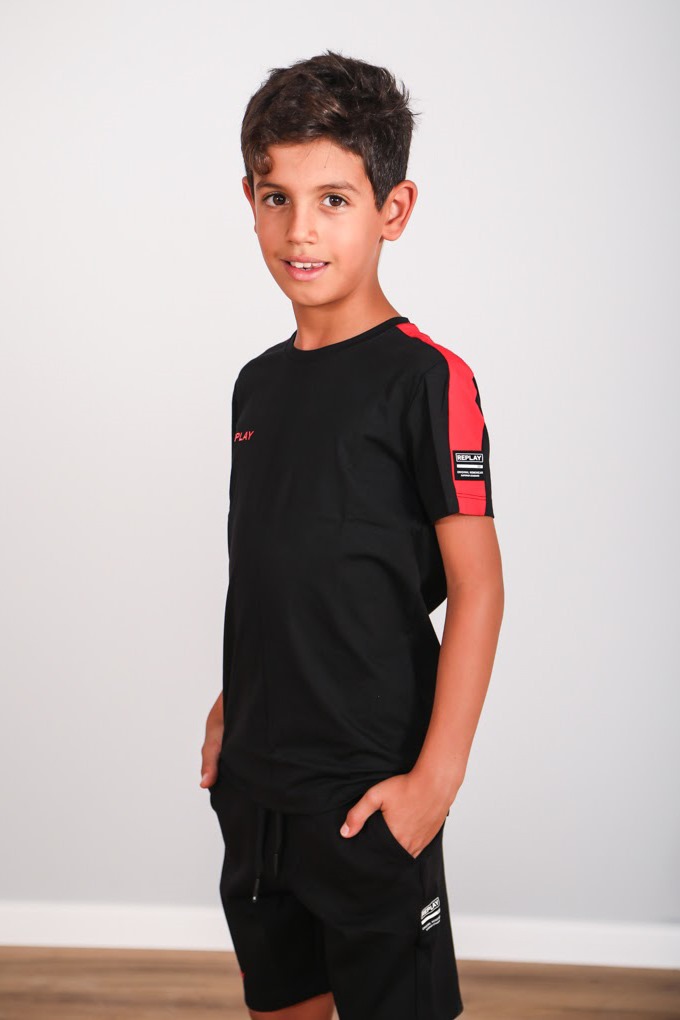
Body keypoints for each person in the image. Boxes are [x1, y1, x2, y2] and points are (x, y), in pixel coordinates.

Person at [200, 50, 504, 1020]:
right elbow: (281, 565)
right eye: (276, 198)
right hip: (257, 784)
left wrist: (434, 784)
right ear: (249, 202)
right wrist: (232, 702)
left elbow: (478, 588)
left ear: (392, 209)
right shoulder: (256, 385)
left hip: (370, 790)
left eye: (333, 199)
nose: (300, 229)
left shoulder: (427, 381)